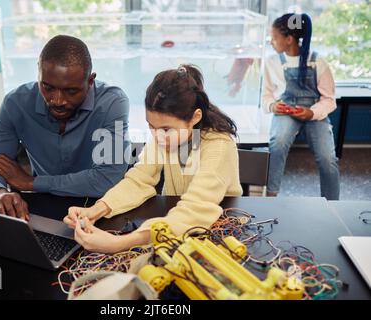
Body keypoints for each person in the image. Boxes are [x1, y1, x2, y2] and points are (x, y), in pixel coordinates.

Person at [63, 64, 243, 253]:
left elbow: (196, 209)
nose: (157, 136)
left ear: (195, 117)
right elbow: (140, 179)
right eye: (151, 126)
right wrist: (96, 209)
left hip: (221, 235)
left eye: (165, 129)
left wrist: (121, 243)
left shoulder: (219, 145)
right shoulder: (165, 136)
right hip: (177, 228)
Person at [0, 35, 130, 220]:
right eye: (47, 88)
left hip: (99, 208)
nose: (58, 101)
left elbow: (107, 179)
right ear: (39, 76)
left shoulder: (113, 103)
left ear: (90, 81)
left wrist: (32, 183)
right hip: (43, 207)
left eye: (71, 91)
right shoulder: (16, 103)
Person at [263, 13, 340, 200]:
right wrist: (273, 106)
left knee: (328, 158)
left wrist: (312, 112)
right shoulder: (272, 62)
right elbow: (266, 96)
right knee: (278, 144)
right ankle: (271, 195)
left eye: (274, 38)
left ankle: (332, 203)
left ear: (289, 39)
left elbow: (329, 100)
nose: (271, 42)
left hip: (313, 111)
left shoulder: (318, 62)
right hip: (286, 110)